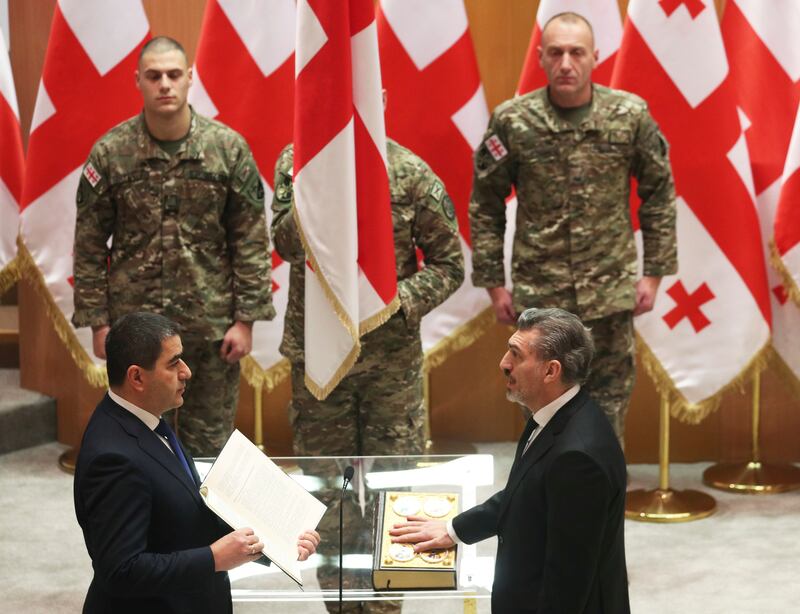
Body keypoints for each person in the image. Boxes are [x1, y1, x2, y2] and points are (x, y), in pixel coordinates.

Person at [271, 137, 464, 613]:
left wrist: (394, 304)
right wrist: (319, 189)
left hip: (389, 368)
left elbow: (449, 264)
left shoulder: (409, 171)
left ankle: (384, 609)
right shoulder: (299, 163)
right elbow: (285, 243)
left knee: (391, 497)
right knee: (328, 498)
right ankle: (340, 606)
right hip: (321, 362)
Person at [468, 12, 677, 447]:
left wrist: (653, 275)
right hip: (540, 305)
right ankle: (542, 514)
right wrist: (494, 285)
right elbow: (486, 204)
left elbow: (658, 193)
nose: (567, 63)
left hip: (608, 299)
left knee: (606, 423)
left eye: (577, 52)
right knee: (541, 423)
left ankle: (601, 513)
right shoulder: (512, 120)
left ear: (595, 57)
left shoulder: (629, 115)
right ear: (541, 58)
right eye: (557, 52)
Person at [72, 36, 274, 457]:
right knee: (137, 445)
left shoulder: (227, 149)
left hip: (211, 329)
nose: (164, 84)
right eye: (154, 76)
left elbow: (250, 239)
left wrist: (246, 321)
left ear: (189, 79)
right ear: (138, 82)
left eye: (173, 75)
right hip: (135, 334)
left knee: (209, 451)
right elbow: (89, 242)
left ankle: (212, 526)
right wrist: (98, 322)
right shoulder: (111, 153)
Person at [73, 311, 319, 614]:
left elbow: (186, 515)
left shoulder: (144, 419)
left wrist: (276, 541)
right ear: (136, 377)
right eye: (173, 363)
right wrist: (214, 558)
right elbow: (121, 571)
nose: (187, 371)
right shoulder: (113, 459)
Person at [391, 307, 629, 614]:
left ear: (550, 371)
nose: (504, 363)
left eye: (516, 355)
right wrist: (454, 529)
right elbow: (527, 494)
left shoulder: (577, 459)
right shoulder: (554, 414)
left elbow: (567, 586)